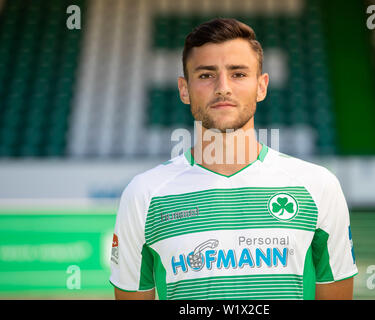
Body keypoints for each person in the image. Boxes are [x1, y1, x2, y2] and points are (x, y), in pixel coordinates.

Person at [110, 18, 357, 300]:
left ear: (261, 86)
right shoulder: (144, 194)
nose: (223, 87)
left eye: (238, 74)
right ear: (184, 89)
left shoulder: (318, 186)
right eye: (206, 75)